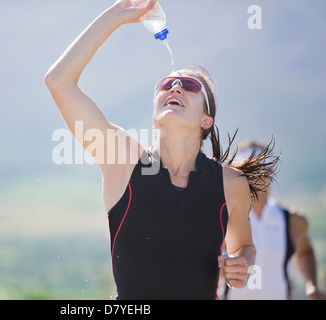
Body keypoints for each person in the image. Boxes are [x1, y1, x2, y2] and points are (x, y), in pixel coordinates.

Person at [44, 0, 277, 299]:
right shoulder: (123, 161)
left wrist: (242, 264)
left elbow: (244, 248)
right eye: (166, 84)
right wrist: (117, 15)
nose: (175, 87)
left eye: (189, 86)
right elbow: (58, 81)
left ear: (206, 120)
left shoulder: (231, 183)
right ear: (154, 117)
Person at [219, 140, 326, 300]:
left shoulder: (293, 220)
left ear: (273, 170)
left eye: (261, 168)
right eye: (247, 170)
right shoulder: (223, 219)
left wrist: (312, 284)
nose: (256, 177)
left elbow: (305, 251)